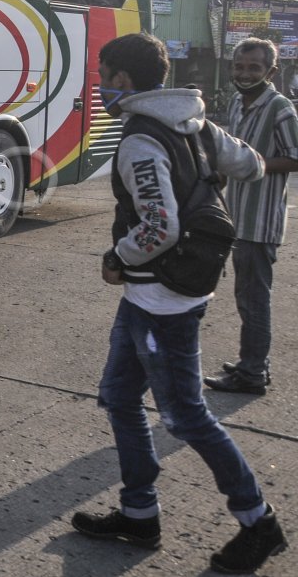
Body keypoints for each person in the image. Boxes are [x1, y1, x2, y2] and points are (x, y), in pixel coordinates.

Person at [71, 33, 286, 574]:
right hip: (164, 290)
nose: (99, 87)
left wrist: (116, 257)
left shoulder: (142, 139)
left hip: (162, 296)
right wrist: (207, 168)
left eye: (102, 76)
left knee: (186, 415)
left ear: (122, 80)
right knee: (120, 396)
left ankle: (258, 522)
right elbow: (253, 166)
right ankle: (139, 513)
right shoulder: (195, 121)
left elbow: (160, 225)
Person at [204, 38, 298, 394]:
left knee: (254, 300)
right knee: (246, 298)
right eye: (239, 67)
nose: (245, 74)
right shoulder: (237, 105)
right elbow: (233, 153)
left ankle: (252, 373)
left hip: (261, 223)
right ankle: (253, 364)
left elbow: (295, 157)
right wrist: (220, 174)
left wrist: (253, 164)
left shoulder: (280, 107)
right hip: (237, 217)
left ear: (271, 71)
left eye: (254, 68)